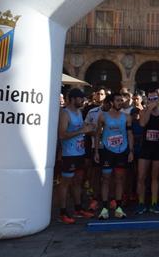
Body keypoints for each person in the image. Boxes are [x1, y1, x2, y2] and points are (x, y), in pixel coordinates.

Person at [57, 89, 95, 224]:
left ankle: (78, 208)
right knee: (65, 183)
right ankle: (62, 211)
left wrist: (89, 128)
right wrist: (82, 130)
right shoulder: (65, 113)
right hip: (69, 154)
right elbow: (62, 135)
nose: (83, 101)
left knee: (78, 181)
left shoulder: (79, 112)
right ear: (72, 99)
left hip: (80, 152)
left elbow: (81, 129)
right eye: (80, 98)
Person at [94, 93, 134, 220]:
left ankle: (118, 207)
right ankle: (105, 208)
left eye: (121, 101)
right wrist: (96, 152)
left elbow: (130, 134)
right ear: (111, 102)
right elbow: (97, 135)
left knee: (119, 179)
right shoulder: (103, 116)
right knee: (105, 178)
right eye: (118, 100)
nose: (120, 103)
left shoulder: (127, 117)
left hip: (122, 151)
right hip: (107, 151)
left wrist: (131, 151)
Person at [135, 91, 159, 215]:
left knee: (155, 177)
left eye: (155, 98)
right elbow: (142, 123)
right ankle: (141, 203)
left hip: (158, 147)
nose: (153, 100)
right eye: (150, 98)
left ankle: (154, 202)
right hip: (145, 147)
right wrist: (149, 109)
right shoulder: (143, 111)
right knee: (141, 177)